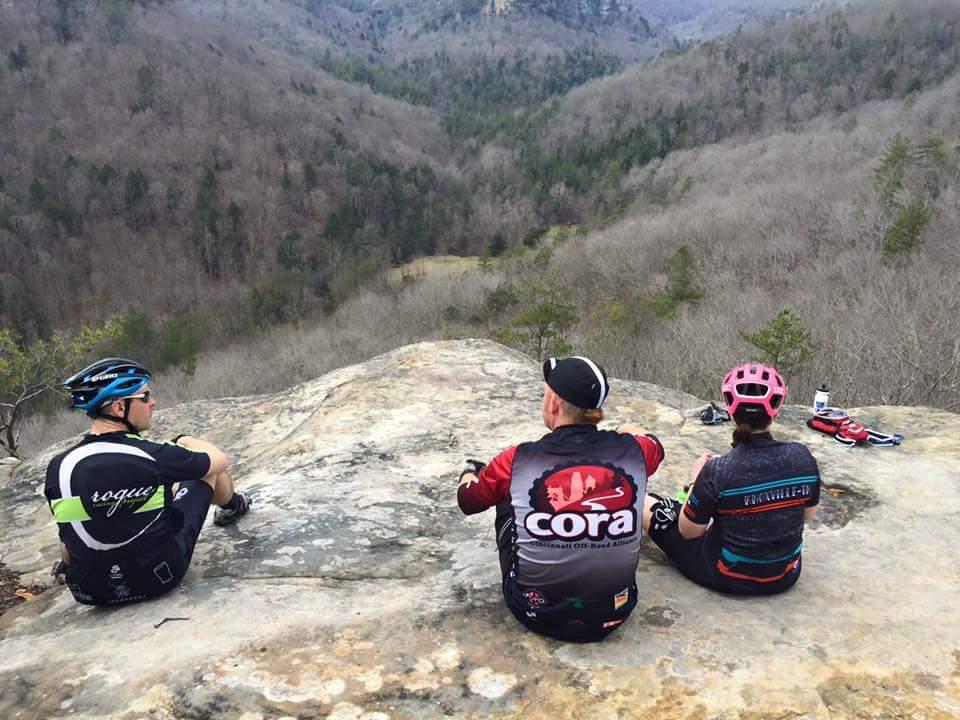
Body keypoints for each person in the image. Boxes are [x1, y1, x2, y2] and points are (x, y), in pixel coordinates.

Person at [457, 356, 664, 642]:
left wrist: (469, 473)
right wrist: (626, 430)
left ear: (553, 402)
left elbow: (468, 501)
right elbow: (656, 445)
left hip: (537, 612)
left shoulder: (517, 461)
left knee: (509, 498)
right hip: (616, 610)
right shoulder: (636, 452)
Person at [45, 357, 251, 606]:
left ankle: (67, 572)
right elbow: (219, 459)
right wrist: (182, 439)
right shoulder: (153, 454)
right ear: (120, 408)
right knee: (204, 471)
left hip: (89, 590)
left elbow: (67, 536)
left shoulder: (59, 466)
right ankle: (233, 506)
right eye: (144, 397)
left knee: (74, 514)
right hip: (158, 577)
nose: (152, 402)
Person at [645, 363, 820, 595]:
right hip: (786, 573)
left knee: (645, 504)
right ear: (775, 409)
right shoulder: (802, 457)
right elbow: (807, 514)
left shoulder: (718, 470)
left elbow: (689, 533)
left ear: (729, 407)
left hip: (727, 575)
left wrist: (697, 482)